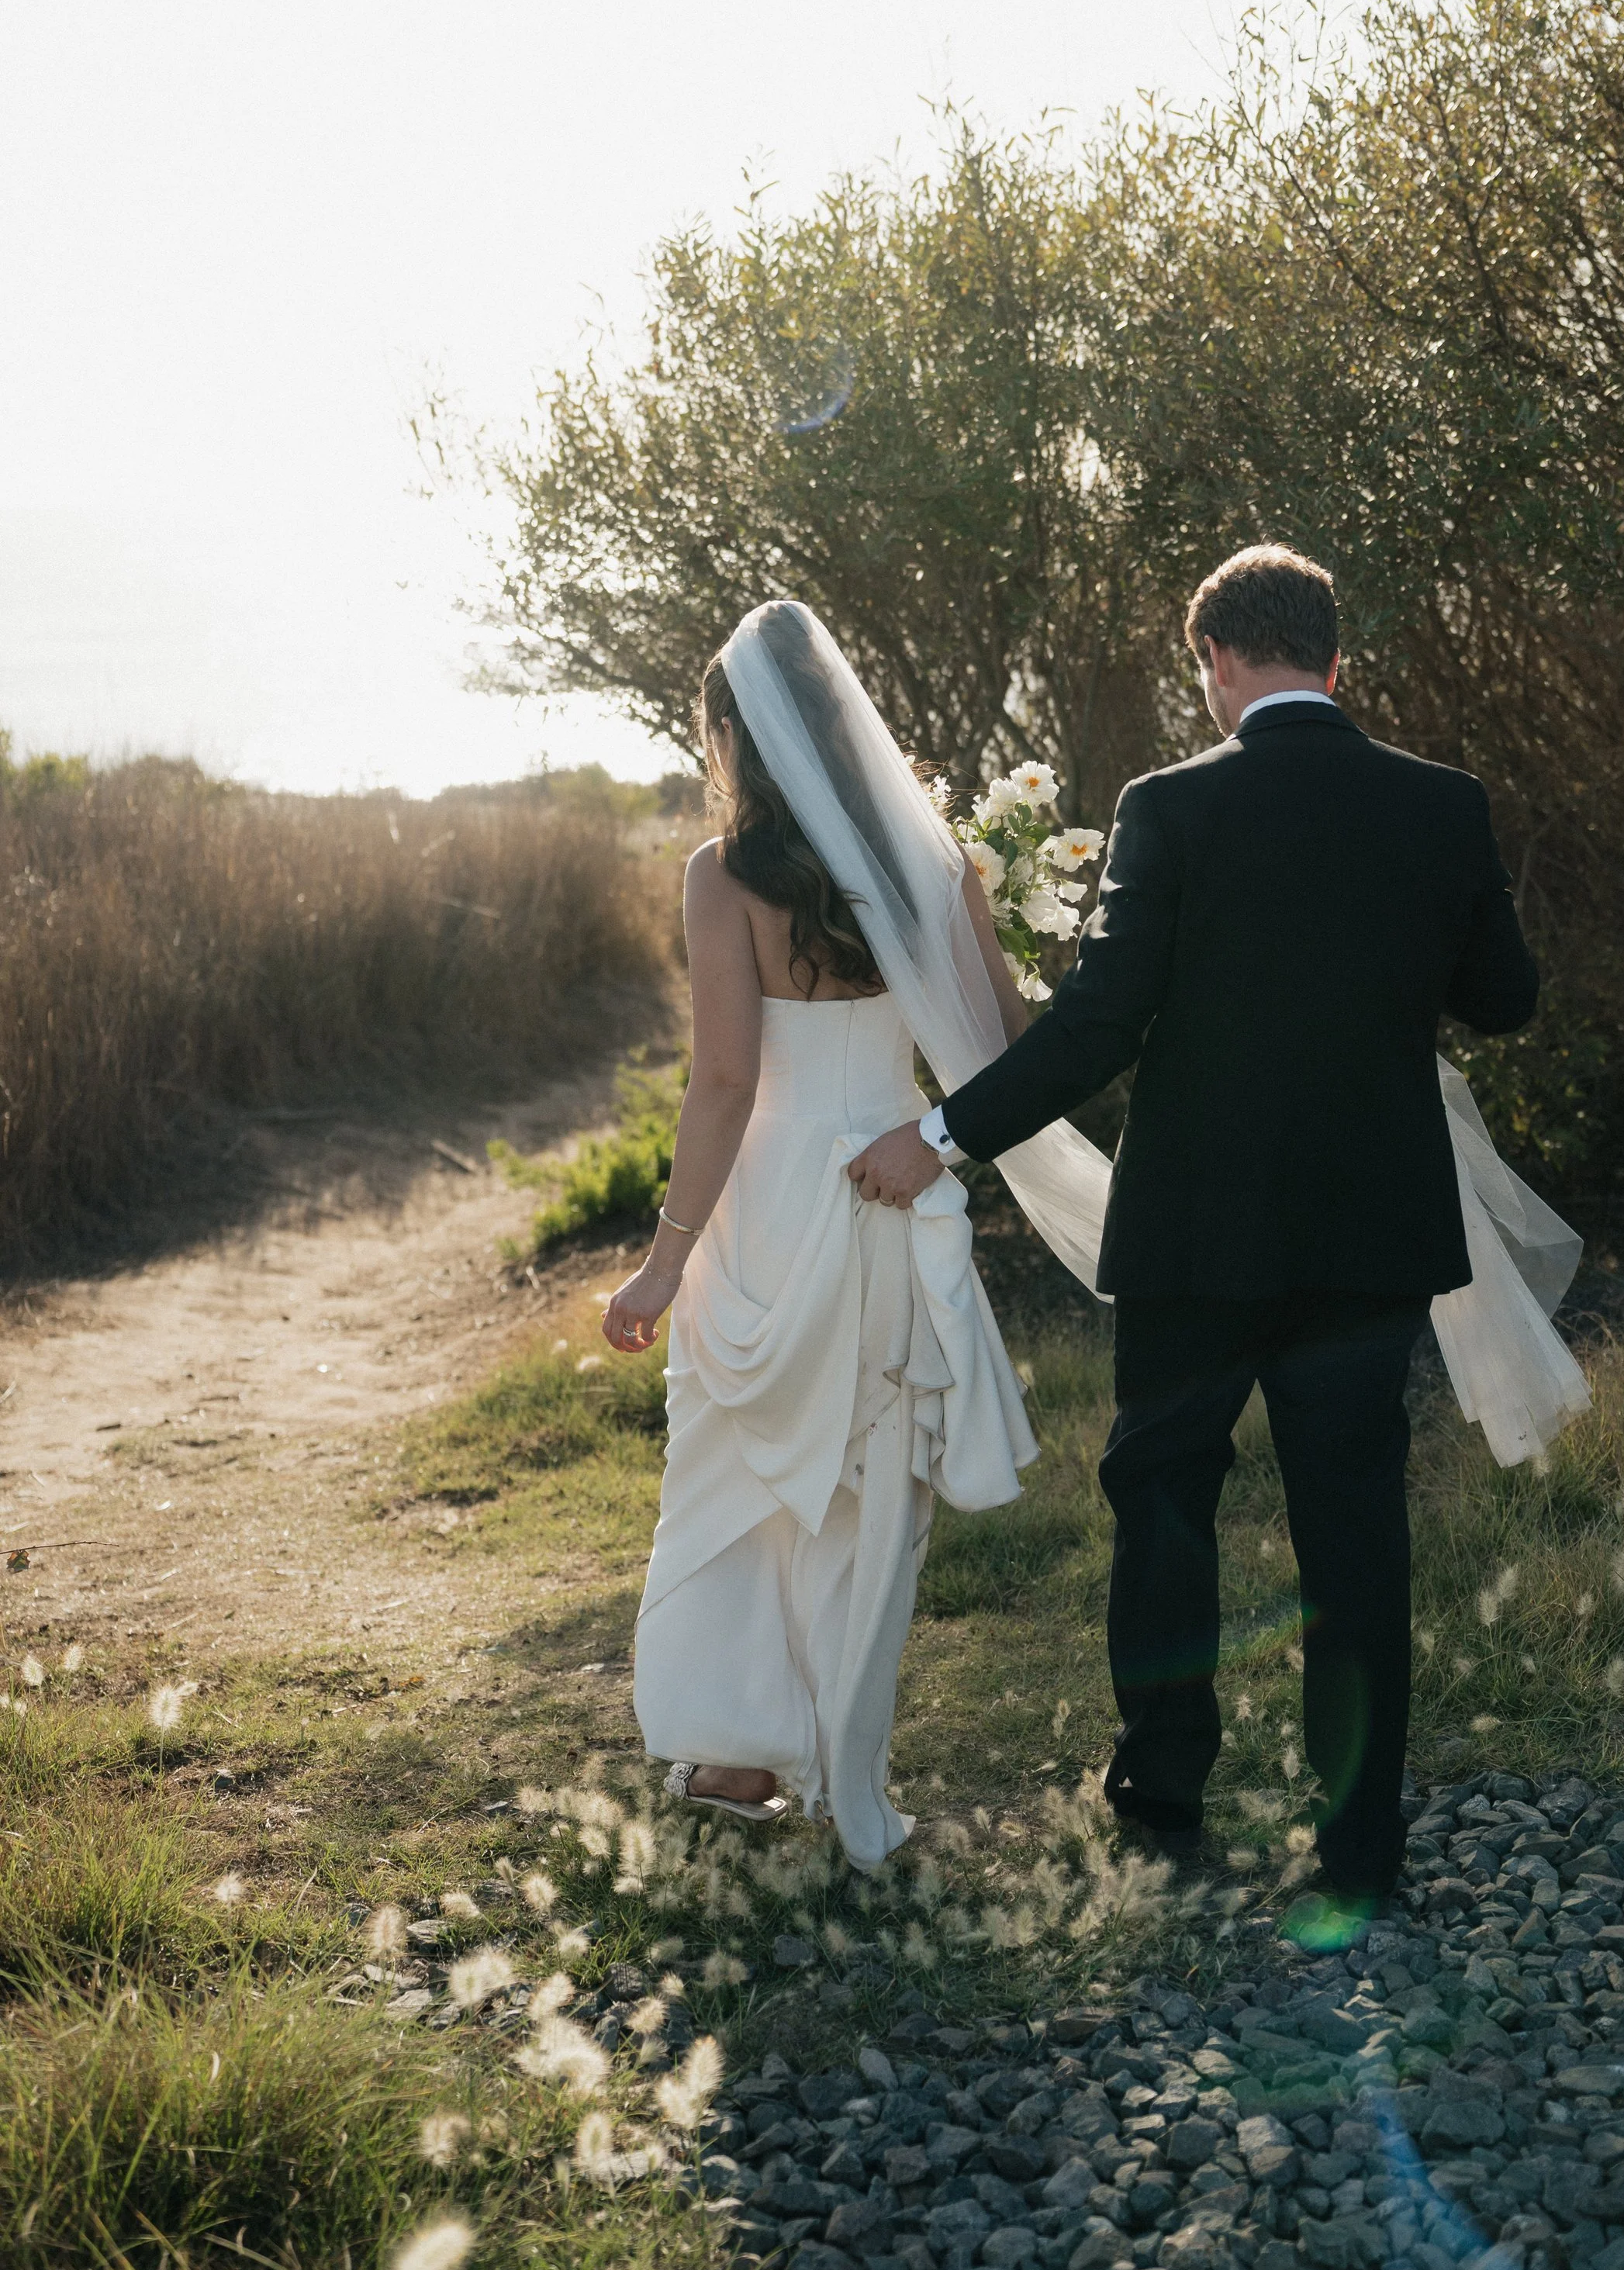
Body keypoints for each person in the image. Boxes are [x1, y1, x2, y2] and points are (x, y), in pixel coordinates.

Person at [845, 544, 1555, 1943]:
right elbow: (1507, 1000)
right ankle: (1359, 1841)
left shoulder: (1165, 807)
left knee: (1164, 1501)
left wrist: (938, 1138)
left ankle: (1165, 1797)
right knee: (1355, 1529)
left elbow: (1102, 1024)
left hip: (1196, 1235)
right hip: (1368, 1235)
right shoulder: (1444, 804)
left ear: (1218, 664)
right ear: (1334, 662)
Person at [600, 602, 1097, 1868]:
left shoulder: (722, 876)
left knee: (735, 1471)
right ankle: (842, 1763)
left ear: (735, 733)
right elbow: (1007, 1051)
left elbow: (722, 1084)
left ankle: (738, 1749)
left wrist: (667, 1257)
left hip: (768, 1210)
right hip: (890, 1189)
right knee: (869, 1493)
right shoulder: (936, 865)